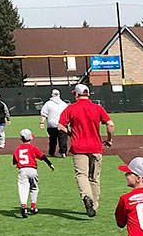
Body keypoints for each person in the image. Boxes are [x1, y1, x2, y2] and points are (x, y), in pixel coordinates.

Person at [58, 83, 114, 217]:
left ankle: (86, 197)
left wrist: (71, 133)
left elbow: (60, 126)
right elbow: (110, 124)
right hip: (95, 147)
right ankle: (94, 206)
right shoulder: (97, 108)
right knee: (94, 178)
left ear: (76, 94)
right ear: (88, 94)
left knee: (81, 175)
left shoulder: (71, 108)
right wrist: (109, 139)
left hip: (79, 147)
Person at [12, 129, 54, 218]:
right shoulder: (33, 148)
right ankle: (33, 207)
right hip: (32, 169)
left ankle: (24, 205)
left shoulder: (18, 149)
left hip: (22, 170)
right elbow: (42, 156)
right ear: (31, 138)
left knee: (23, 189)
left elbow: (14, 162)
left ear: (21, 139)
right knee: (34, 188)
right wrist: (50, 164)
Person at [40, 88, 68, 157]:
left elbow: (44, 114)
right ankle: (63, 152)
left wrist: (42, 123)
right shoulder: (64, 104)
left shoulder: (48, 104)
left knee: (52, 140)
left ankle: (52, 153)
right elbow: (68, 115)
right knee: (63, 140)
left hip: (51, 125)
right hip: (62, 125)